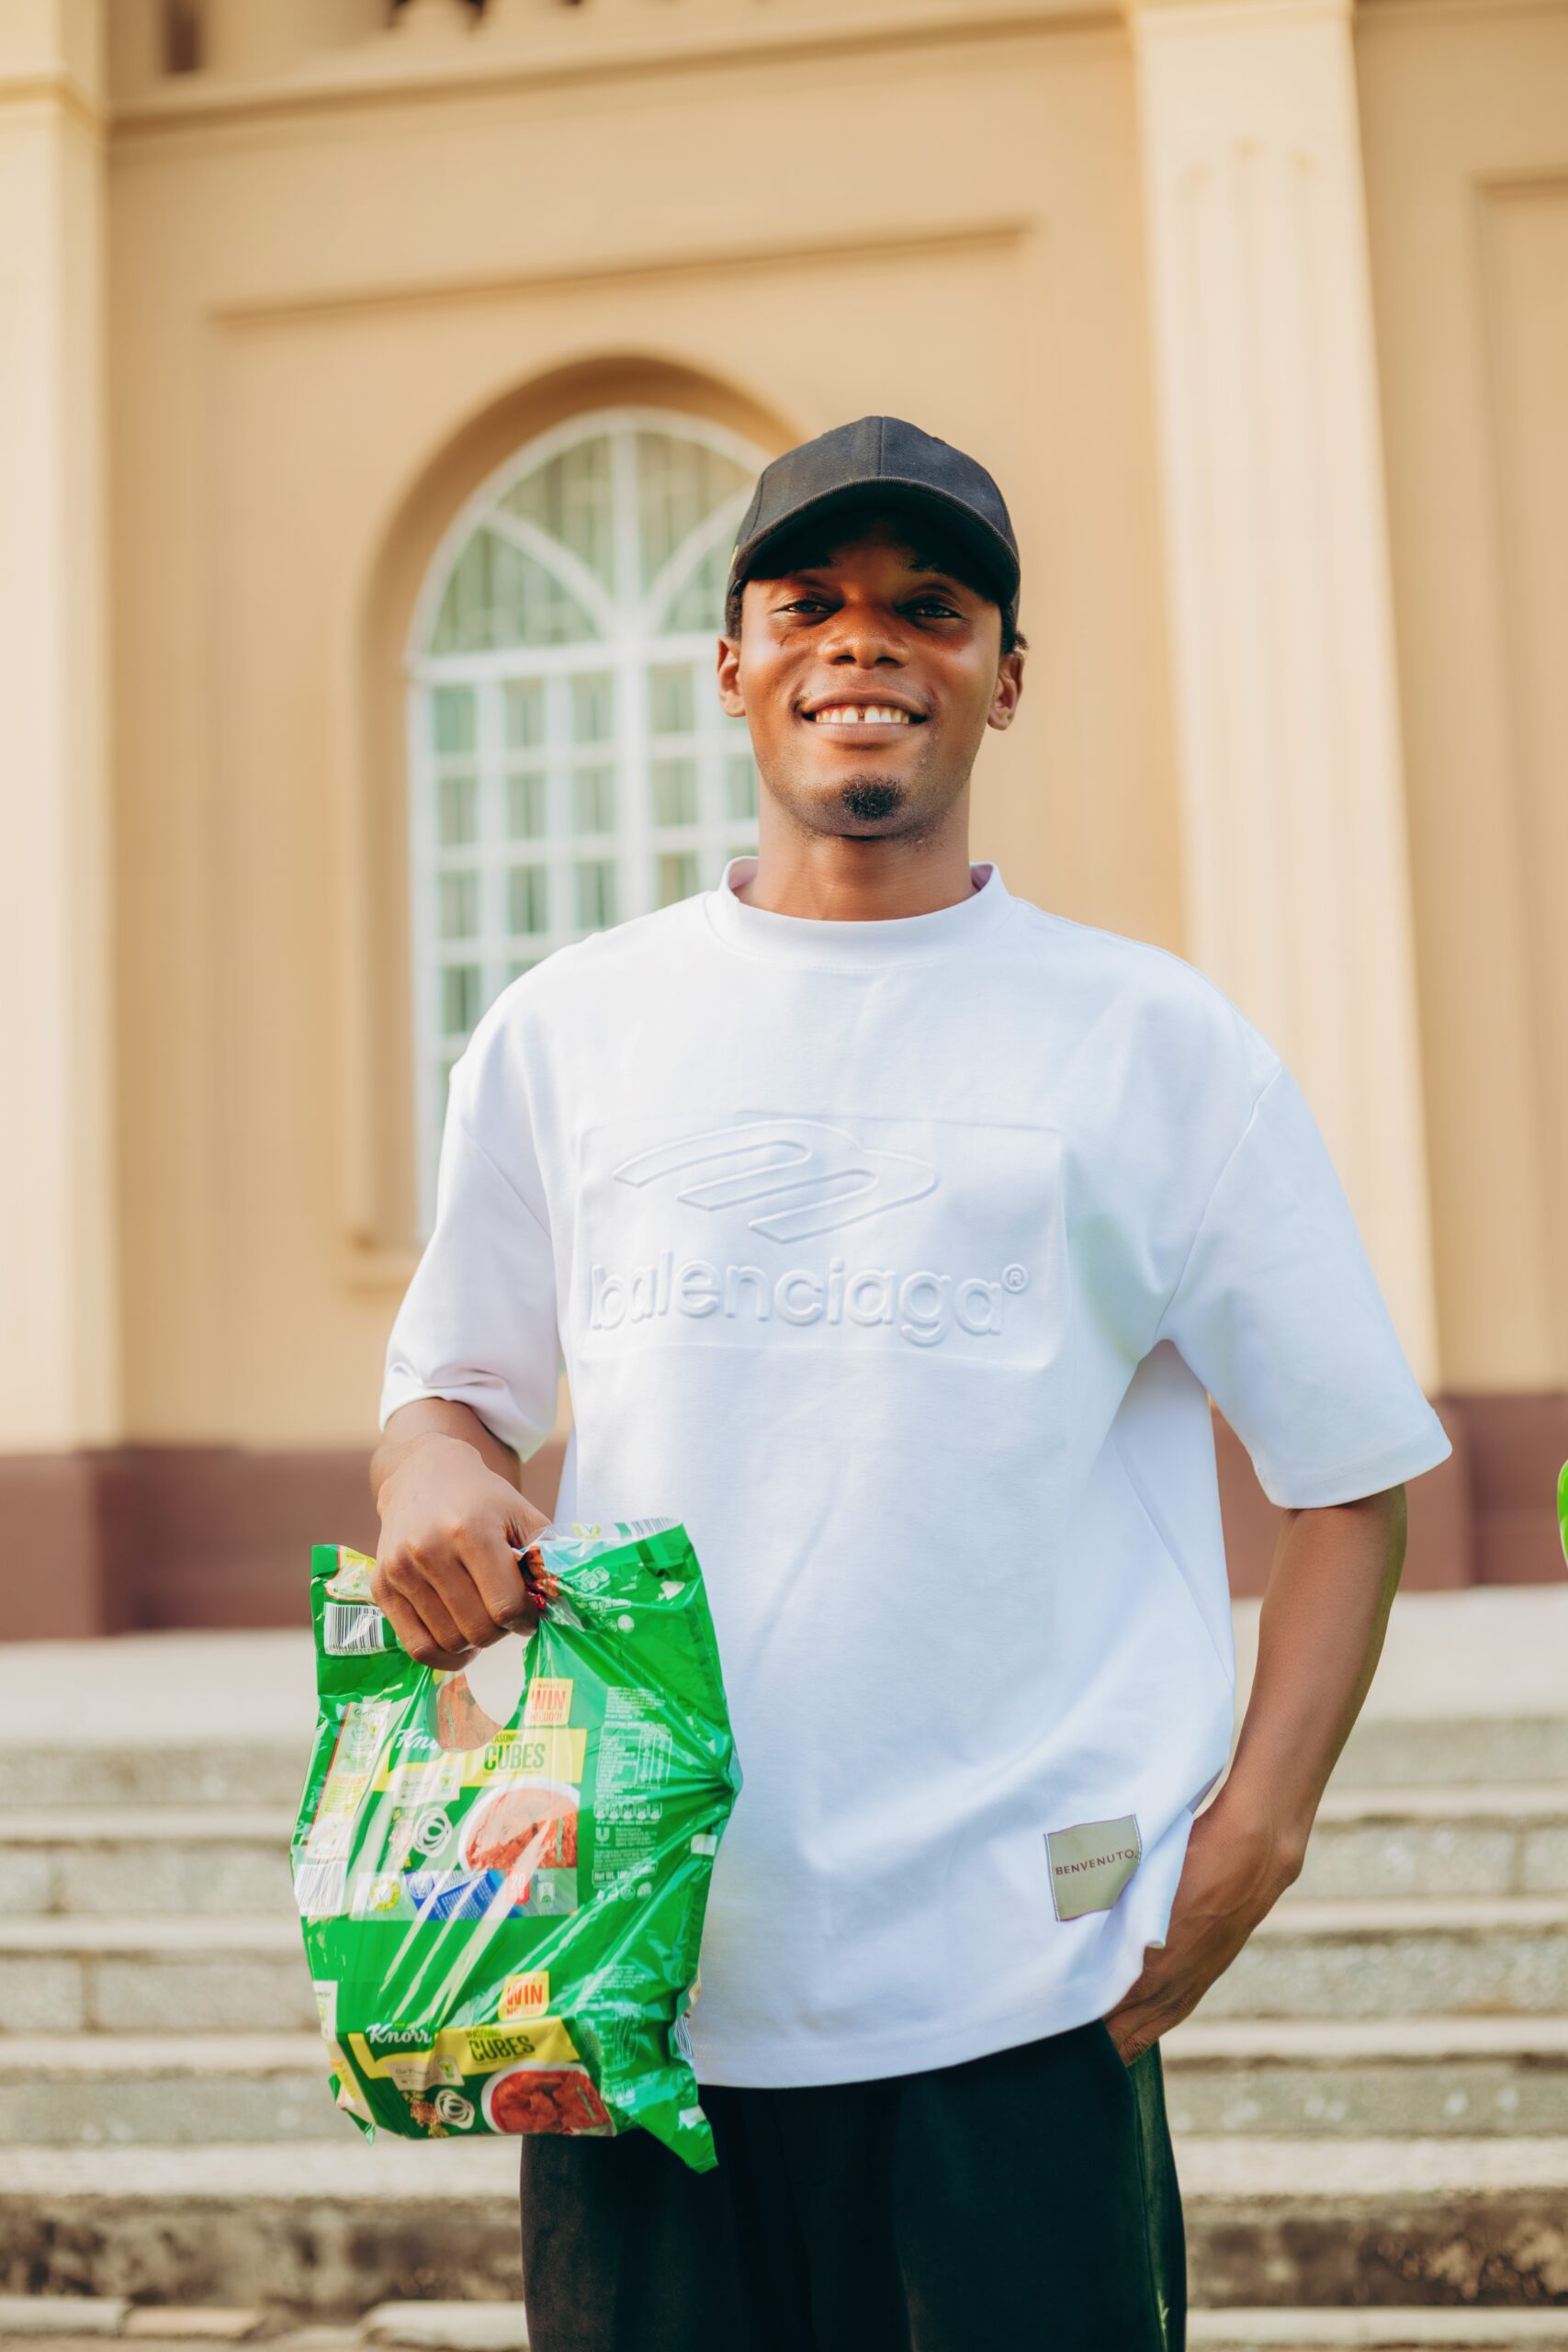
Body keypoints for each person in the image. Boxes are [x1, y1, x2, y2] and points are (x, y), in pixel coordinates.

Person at [369, 415, 1453, 2351]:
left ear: (1003, 677)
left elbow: (1346, 1478)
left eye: (928, 607)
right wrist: (427, 1472)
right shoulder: (568, 1030)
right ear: (729, 665)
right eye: (807, 601)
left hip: (1023, 1980)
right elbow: (446, 1395)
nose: (861, 641)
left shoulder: (1155, 1044)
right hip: (634, 1961)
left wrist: (1257, 1835)